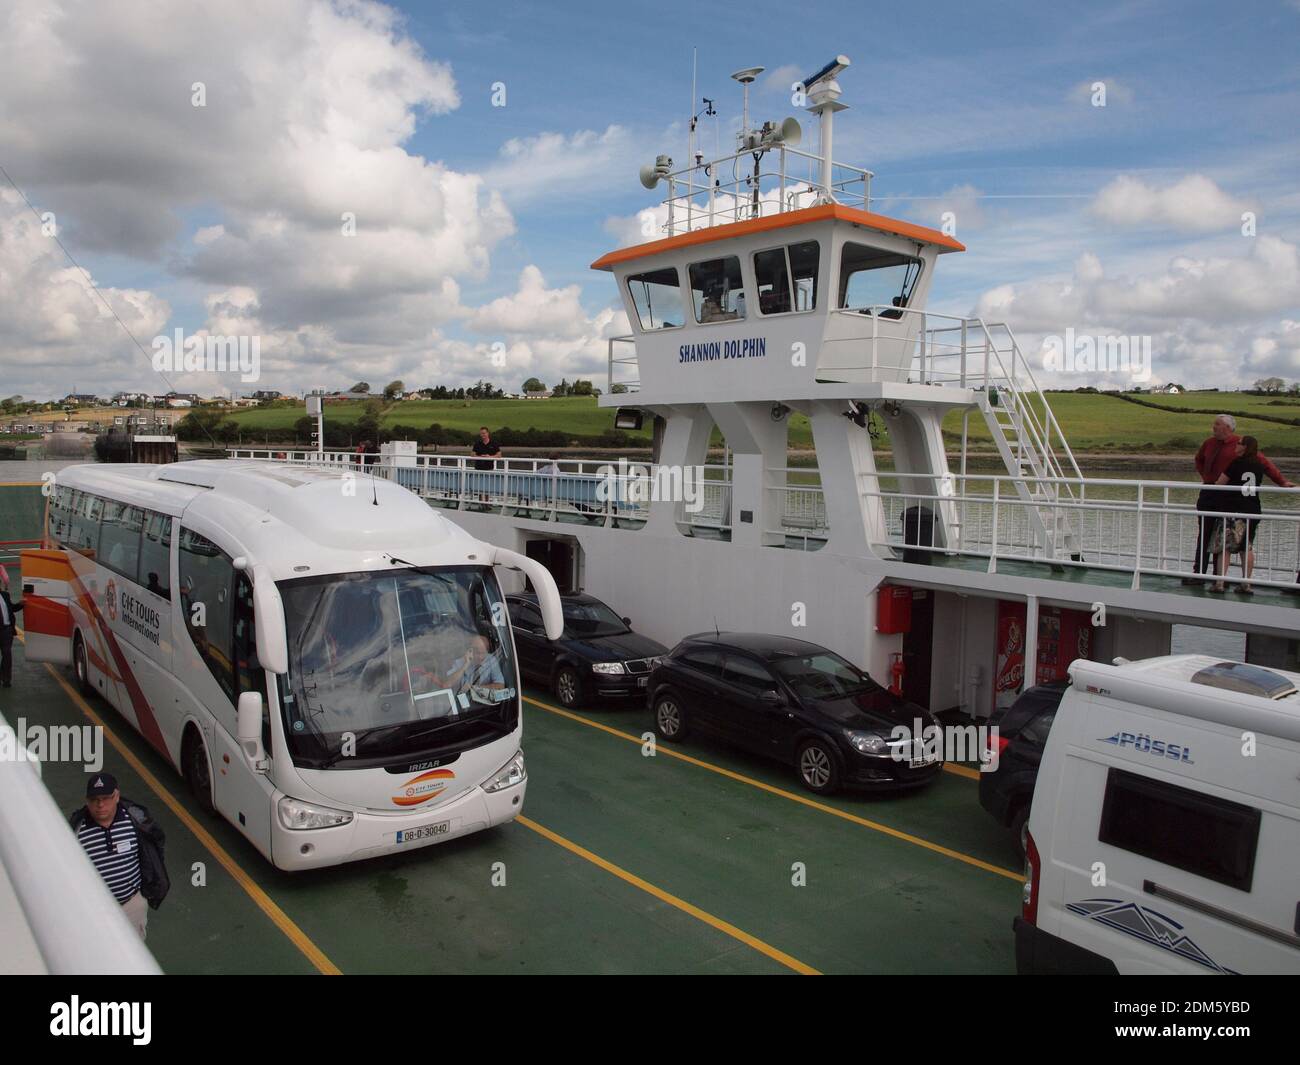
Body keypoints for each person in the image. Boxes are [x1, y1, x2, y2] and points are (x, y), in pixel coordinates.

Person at [68, 773, 169, 942]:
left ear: (116, 796)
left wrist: (144, 896)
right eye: (94, 799)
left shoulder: (136, 822)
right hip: (95, 911)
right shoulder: (76, 831)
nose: (100, 805)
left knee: (134, 955)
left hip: (132, 905)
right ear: (87, 800)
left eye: (106, 798)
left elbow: (153, 853)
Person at [1190, 415, 1291, 578]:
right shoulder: (1209, 443)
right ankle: (1199, 573)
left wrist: (1282, 481)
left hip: (1228, 497)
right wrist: (1207, 477)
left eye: (1217, 424)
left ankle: (1218, 576)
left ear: (1228, 428)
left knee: (1221, 537)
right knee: (1205, 532)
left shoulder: (1241, 446)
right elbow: (1199, 460)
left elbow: (1265, 464)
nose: (1213, 427)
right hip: (1209, 493)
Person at [1212, 436, 1290, 593]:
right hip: (1252, 509)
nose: (1236, 445)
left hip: (1234, 509)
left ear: (1245, 447)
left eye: (1239, 444)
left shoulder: (1236, 463)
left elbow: (1220, 483)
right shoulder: (1258, 465)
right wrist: (1283, 483)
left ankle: (1220, 583)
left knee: (1225, 547)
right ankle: (1246, 583)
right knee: (1246, 547)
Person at [443, 634, 504, 699]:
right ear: (470, 650)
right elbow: (447, 684)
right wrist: (465, 665)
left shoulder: (491, 660)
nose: (480, 657)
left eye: (483, 653)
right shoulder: (460, 662)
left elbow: (500, 686)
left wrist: (473, 688)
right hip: (464, 702)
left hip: (484, 702)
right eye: (478, 653)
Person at [0, 564, 23, 689]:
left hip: (6, 630)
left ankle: (6, 679)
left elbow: (12, 608)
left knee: (7, 654)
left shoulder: (5, 595)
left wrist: (21, 604)